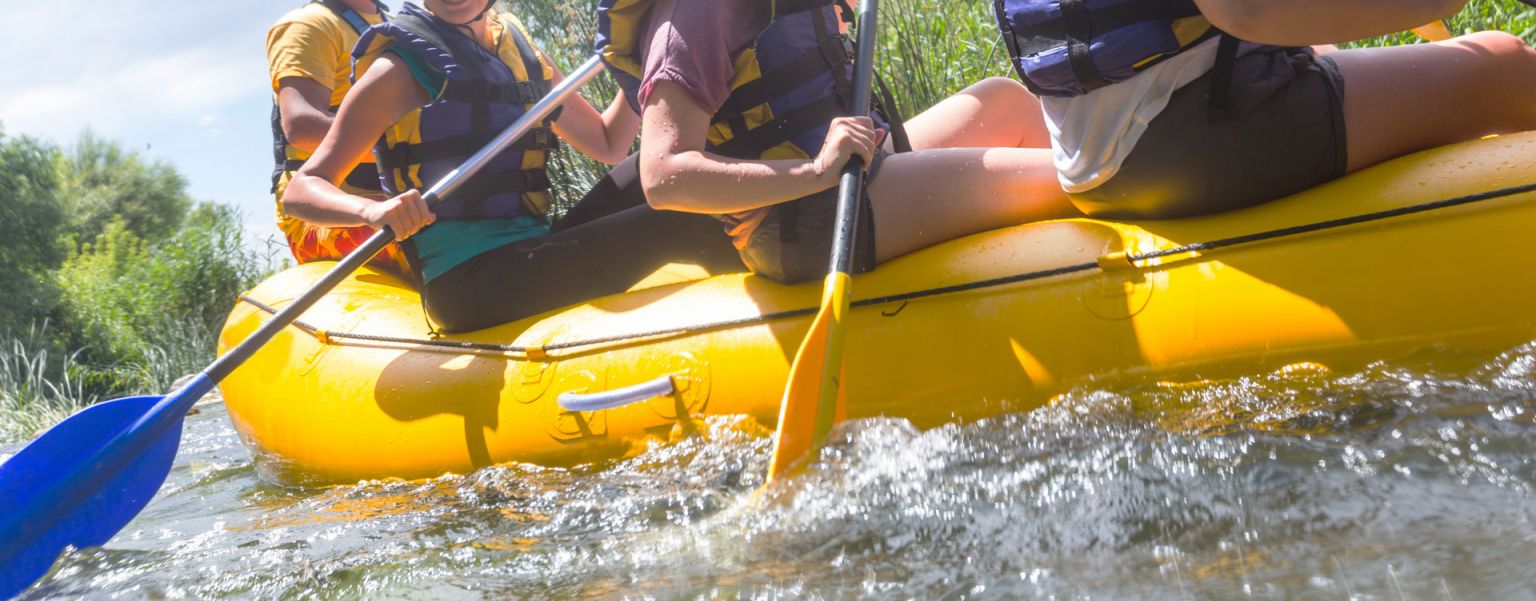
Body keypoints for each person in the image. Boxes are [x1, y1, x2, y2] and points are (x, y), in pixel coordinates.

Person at [282, 0, 743, 332]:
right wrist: (372, 212)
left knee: (668, 171)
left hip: (533, 246)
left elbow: (607, 142)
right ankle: (786, 308)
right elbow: (302, 189)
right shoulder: (398, 69)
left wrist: (639, 61)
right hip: (468, 285)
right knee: (683, 219)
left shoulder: (515, 46)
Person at [596, 0, 1081, 285]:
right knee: (1070, 176)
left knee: (1006, 102)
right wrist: (815, 173)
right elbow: (662, 176)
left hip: (855, 170)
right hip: (805, 216)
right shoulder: (693, 15)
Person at [993, 0, 1536, 219]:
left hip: (1100, 156)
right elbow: (1247, 10)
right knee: (1505, 66)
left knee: (1327, 54)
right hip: (1191, 136)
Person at [267, 0, 412, 273]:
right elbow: (301, 126)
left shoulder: (402, 26)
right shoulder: (308, 24)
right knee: (441, 239)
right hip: (323, 218)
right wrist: (409, 147)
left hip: (396, 198)